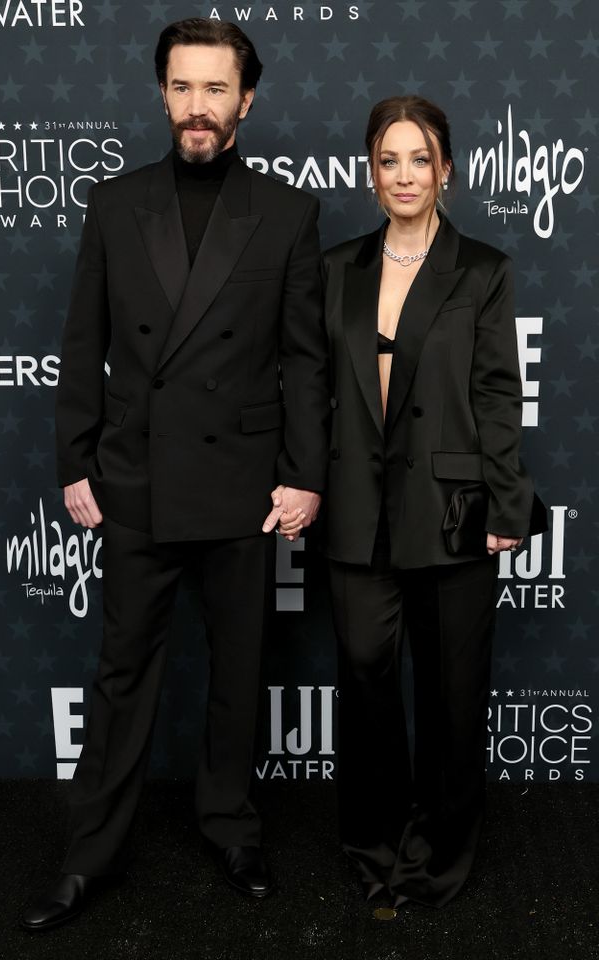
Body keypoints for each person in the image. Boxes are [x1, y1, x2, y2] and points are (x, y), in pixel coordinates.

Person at [21, 18, 328, 932]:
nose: (199, 106)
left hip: (243, 482)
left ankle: (230, 825)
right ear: (162, 94)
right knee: (123, 674)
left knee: (239, 668)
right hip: (137, 477)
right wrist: (76, 460)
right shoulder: (117, 204)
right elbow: (83, 341)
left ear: (247, 101)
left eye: (216, 89)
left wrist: (304, 473)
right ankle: (91, 854)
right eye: (183, 87)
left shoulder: (287, 212)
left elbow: (304, 359)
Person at [311, 95, 542, 909]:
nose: (404, 175)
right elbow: (309, 388)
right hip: (356, 509)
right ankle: (375, 843)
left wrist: (507, 505)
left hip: (453, 510)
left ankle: (440, 856)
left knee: (451, 695)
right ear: (369, 174)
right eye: (389, 160)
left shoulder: (483, 270)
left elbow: (497, 397)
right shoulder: (335, 270)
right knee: (365, 680)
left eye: (420, 159)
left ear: (447, 170)